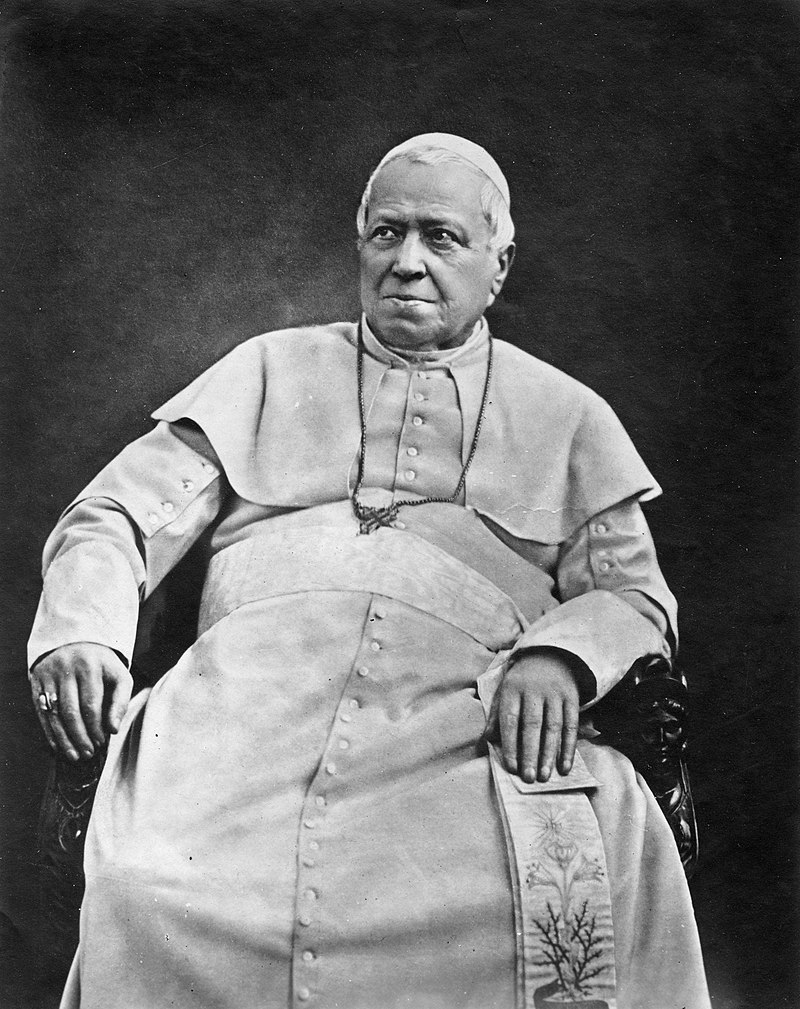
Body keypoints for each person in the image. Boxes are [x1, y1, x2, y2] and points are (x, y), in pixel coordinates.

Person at [28, 133, 710, 1009]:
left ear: (499, 267)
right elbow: (115, 516)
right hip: (242, 718)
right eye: (388, 233)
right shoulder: (269, 367)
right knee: (145, 890)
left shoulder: (569, 414)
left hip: (457, 726)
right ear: (360, 247)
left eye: (441, 237)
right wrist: (82, 631)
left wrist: (562, 656)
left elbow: (633, 597)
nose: (408, 262)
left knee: (556, 882)